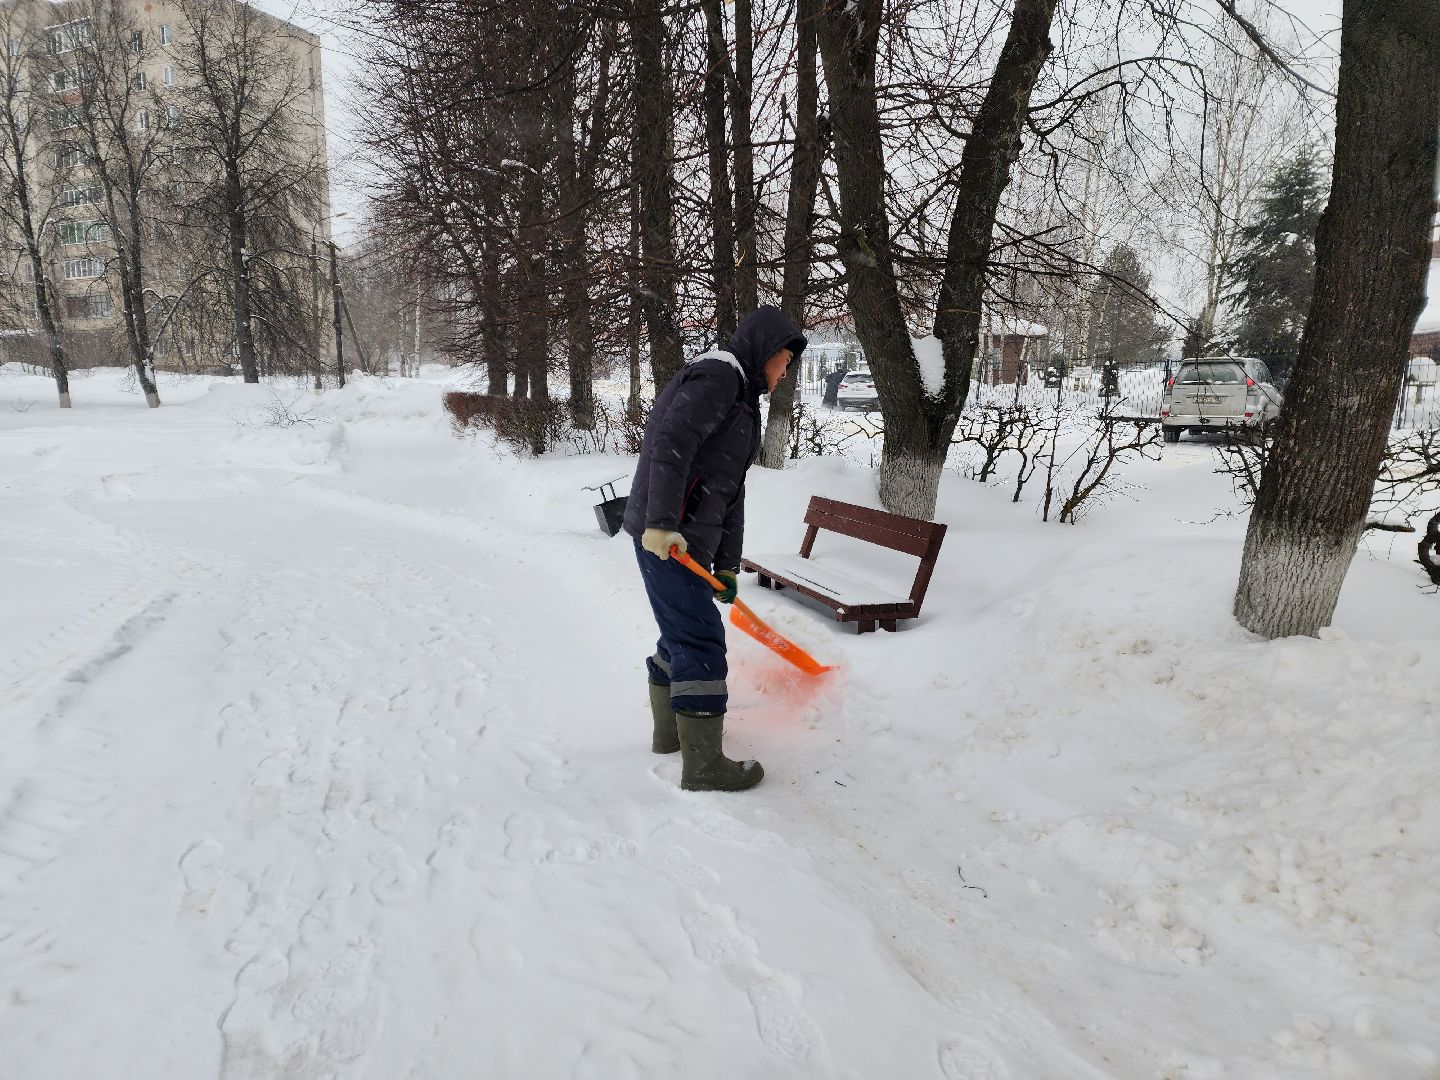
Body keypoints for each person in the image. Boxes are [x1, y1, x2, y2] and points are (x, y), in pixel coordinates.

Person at [624, 306, 807, 792]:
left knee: (680, 634)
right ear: (764, 351)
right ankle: (704, 766)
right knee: (700, 641)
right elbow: (670, 443)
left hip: (689, 539)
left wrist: (726, 565)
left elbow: (731, 492)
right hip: (669, 538)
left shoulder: (742, 400)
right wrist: (662, 524)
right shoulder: (720, 376)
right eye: (784, 361)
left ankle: (671, 738)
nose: (785, 372)